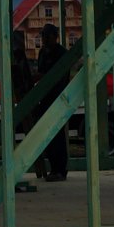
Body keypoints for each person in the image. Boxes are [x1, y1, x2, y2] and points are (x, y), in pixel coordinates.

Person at [35, 24, 70, 181]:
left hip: (58, 97)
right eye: (43, 36)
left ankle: (60, 169)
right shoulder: (43, 53)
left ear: (54, 37)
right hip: (45, 97)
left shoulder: (61, 53)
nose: (44, 40)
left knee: (58, 136)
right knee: (47, 134)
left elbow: (58, 76)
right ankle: (54, 168)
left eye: (47, 37)